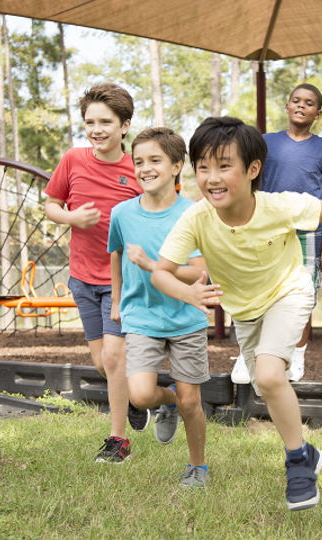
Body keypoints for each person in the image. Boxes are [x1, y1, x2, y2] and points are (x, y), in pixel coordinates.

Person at [150, 116, 322, 511]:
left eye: (224, 165)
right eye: (202, 166)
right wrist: (188, 292)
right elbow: (160, 272)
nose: (211, 177)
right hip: (246, 311)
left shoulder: (279, 205)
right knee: (265, 386)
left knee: (272, 375)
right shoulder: (196, 218)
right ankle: (307, 453)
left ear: (253, 169)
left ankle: (297, 466)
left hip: (289, 292)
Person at [44, 83, 148, 464]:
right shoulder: (73, 159)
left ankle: (118, 440)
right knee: (103, 363)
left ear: (125, 126)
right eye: (90, 122)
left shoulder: (139, 168)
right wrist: (71, 217)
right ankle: (140, 400)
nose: (96, 129)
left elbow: (160, 210)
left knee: (115, 356)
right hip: (82, 276)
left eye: (106, 121)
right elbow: (52, 205)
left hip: (123, 280)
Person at [109, 127, 211, 487]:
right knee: (139, 394)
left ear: (177, 166)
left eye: (155, 160)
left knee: (192, 402)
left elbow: (199, 273)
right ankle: (166, 403)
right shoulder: (121, 213)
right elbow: (117, 254)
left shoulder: (194, 213)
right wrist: (117, 299)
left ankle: (197, 466)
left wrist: (153, 264)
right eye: (139, 161)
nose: (145, 168)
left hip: (186, 317)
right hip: (141, 316)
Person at [230, 83, 322, 384]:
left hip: (308, 232)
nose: (301, 105)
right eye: (296, 100)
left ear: (318, 113)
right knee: (256, 290)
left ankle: (297, 356)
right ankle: (248, 354)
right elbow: (247, 180)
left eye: (308, 102)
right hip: (266, 231)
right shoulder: (266, 142)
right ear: (287, 107)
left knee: (302, 297)